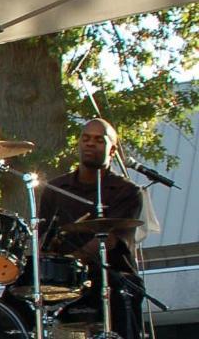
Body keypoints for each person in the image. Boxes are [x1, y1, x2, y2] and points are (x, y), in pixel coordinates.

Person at [39, 118, 145, 338]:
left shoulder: (127, 191)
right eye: (85, 139)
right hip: (63, 277)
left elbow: (110, 238)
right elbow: (43, 238)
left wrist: (75, 262)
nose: (90, 144)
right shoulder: (55, 189)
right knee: (14, 295)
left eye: (98, 140)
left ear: (112, 149)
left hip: (111, 273)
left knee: (123, 289)